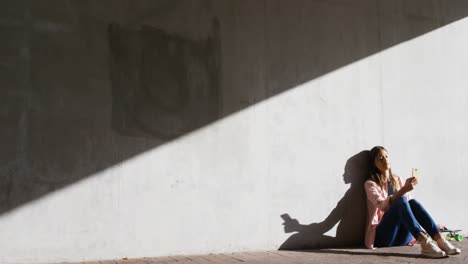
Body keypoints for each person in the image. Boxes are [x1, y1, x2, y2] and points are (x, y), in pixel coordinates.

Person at [364, 146, 461, 258]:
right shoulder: (370, 184)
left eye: (386, 156)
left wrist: (433, 225)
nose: (385, 160)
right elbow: (382, 206)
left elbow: (410, 208)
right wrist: (403, 190)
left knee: (412, 202)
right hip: (384, 237)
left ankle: (439, 239)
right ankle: (425, 242)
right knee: (401, 199)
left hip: (402, 238)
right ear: (374, 163)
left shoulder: (397, 179)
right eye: (380, 158)